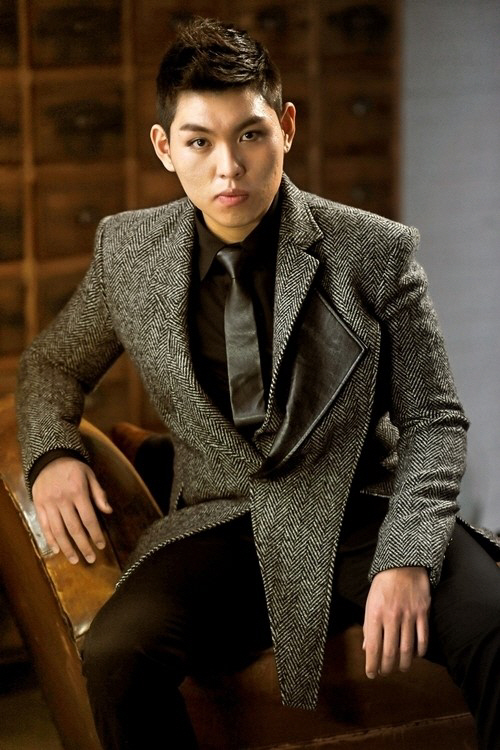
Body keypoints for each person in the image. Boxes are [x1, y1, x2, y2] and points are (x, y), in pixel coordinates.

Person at [16, 17, 500, 750]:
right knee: (116, 655)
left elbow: (435, 419)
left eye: (249, 134)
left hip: (361, 508)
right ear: (164, 147)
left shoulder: (374, 249)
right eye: (199, 142)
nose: (228, 169)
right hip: (222, 522)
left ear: (287, 128)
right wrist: (53, 453)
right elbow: (51, 363)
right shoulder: (128, 252)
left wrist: (408, 553)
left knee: (496, 623)